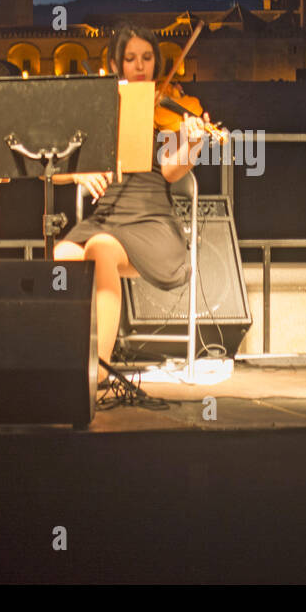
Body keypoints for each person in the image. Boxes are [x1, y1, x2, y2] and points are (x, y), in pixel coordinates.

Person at [53, 23, 212, 386]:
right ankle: (70, 359)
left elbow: (172, 172)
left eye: (147, 58)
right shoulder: (99, 109)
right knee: (63, 253)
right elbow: (54, 170)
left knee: (101, 249)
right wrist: (78, 174)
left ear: (156, 62)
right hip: (106, 216)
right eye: (130, 59)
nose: (140, 67)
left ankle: (97, 374)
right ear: (115, 64)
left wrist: (192, 144)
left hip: (151, 221)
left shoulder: (173, 108)